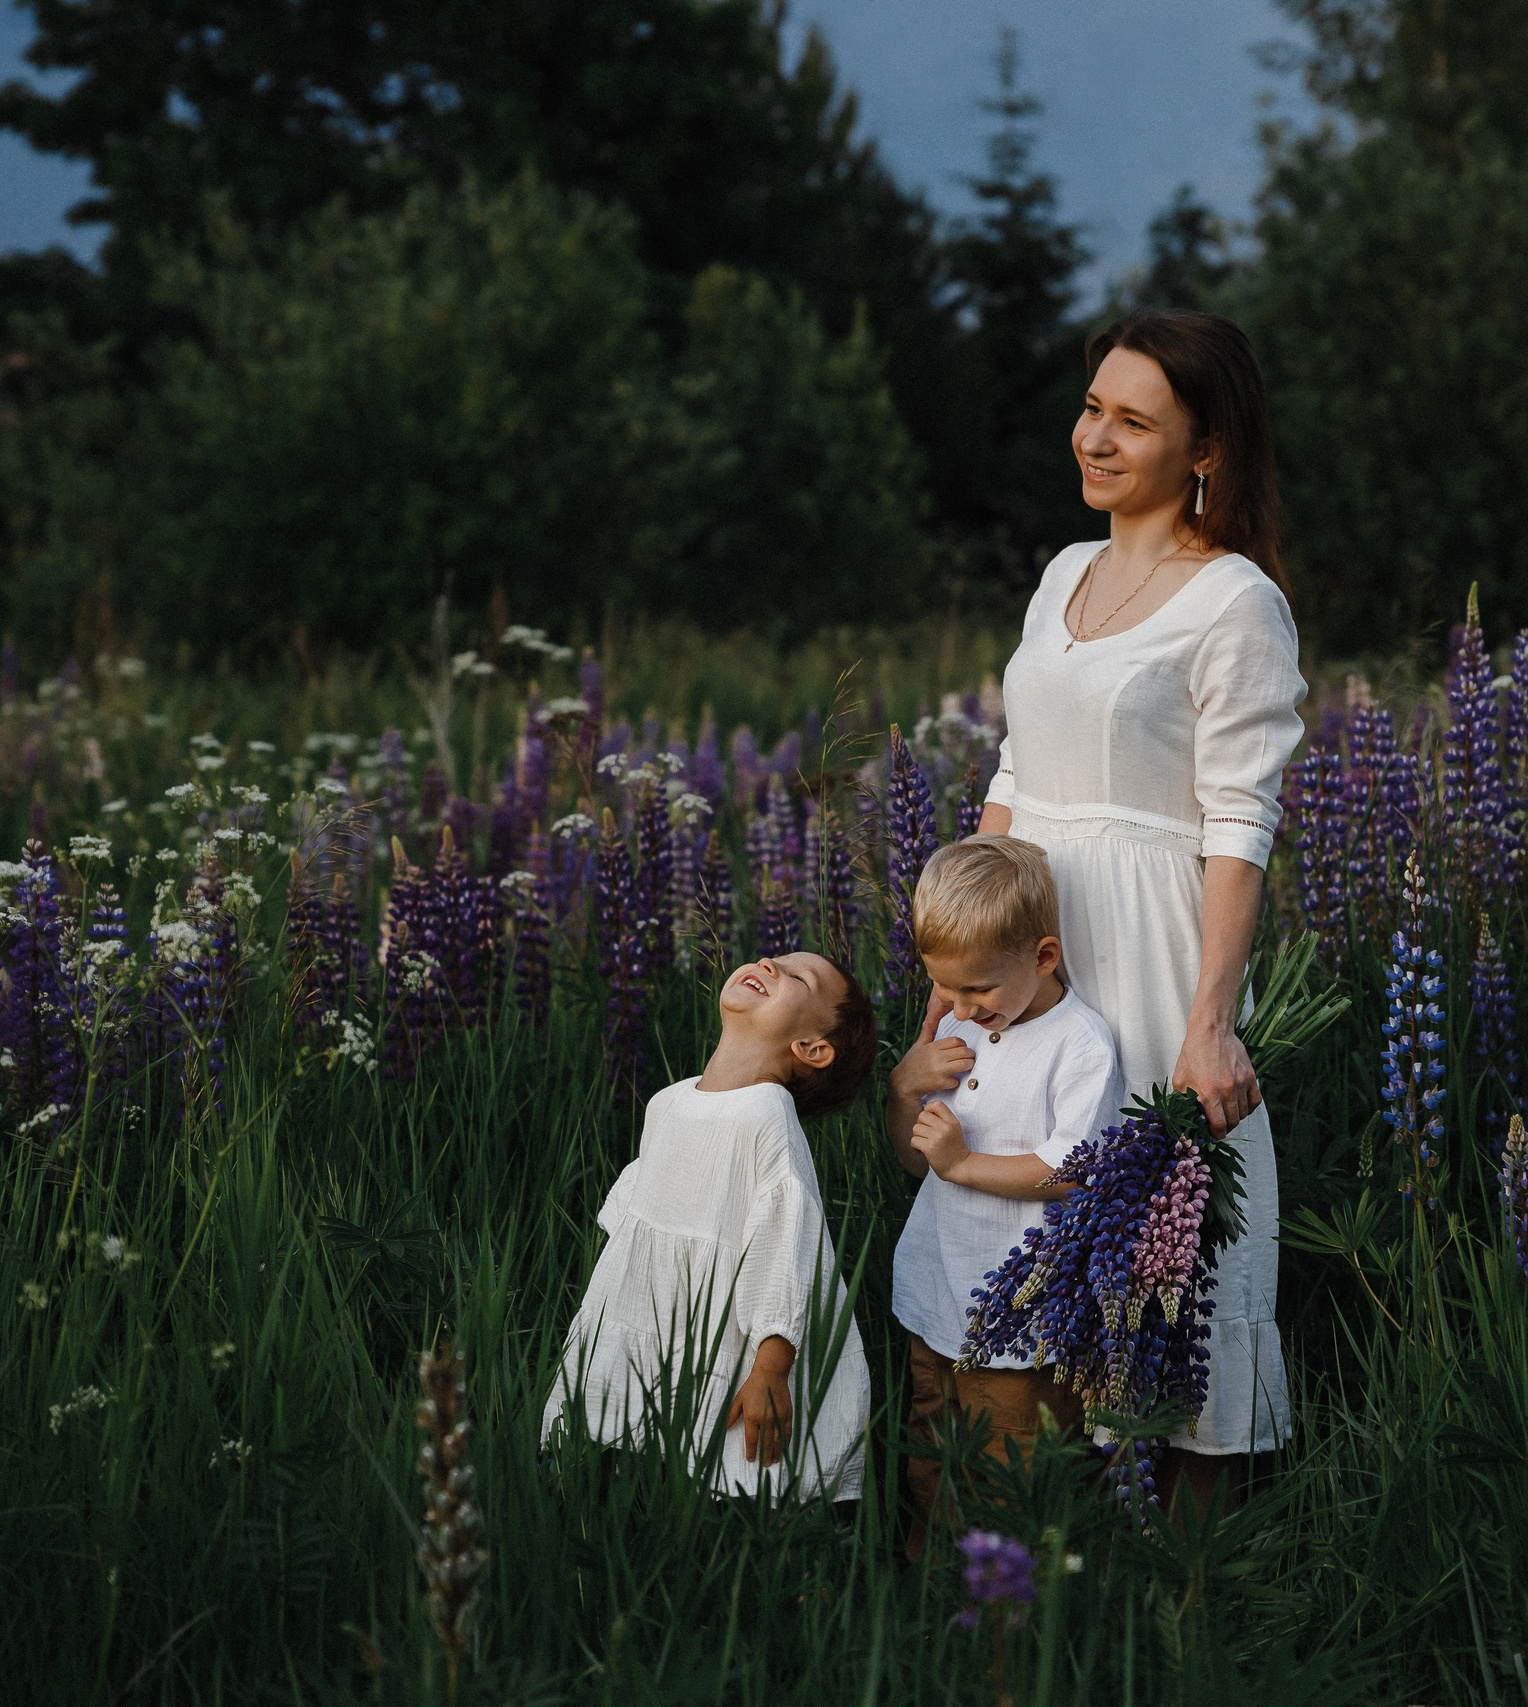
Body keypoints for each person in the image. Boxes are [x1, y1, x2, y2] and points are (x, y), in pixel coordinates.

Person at [975, 307, 1306, 1520]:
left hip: (1157, 948)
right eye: (1091, 408)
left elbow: (1238, 823)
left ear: (1205, 446)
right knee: (1041, 1221)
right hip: (1037, 941)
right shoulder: (1065, 572)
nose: (1094, 438)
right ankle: (1059, 1532)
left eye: (1132, 420)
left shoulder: (1234, 602)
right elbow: (1014, 771)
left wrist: (1211, 1021)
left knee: (1174, 1248)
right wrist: (961, 963)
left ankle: (1192, 1580)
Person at [541, 951, 878, 1500]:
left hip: (735, 1327)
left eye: (798, 977)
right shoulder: (669, 1100)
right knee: (631, 1445)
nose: (771, 962)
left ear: (812, 1050)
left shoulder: (766, 1117)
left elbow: (785, 1251)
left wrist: (771, 1370)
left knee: (728, 1475)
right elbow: (636, 1228)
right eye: (778, 957)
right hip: (651, 1305)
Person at [883, 835, 1126, 1557]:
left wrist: (964, 1164)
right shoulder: (956, 1028)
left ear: (1043, 957)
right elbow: (914, 1159)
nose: (957, 1006)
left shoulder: (1080, 1044)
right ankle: (935, 1598)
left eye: (977, 988)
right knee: (932, 1457)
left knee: (1013, 1472)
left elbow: (1074, 1166)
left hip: (1022, 1320)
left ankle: (1016, 1615)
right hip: (934, 1296)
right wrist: (904, 1087)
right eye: (946, 988)